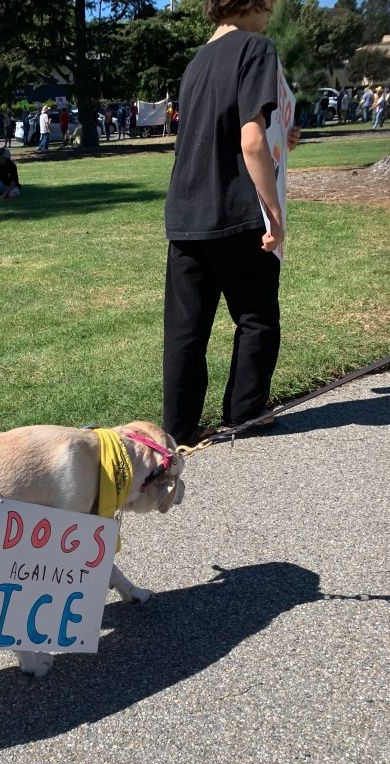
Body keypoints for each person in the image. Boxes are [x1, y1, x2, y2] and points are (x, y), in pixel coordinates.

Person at [162, 0, 301, 447]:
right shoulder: (256, 48)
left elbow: (215, 135)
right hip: (236, 212)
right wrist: (274, 215)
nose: (272, 13)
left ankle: (179, 427)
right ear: (255, 3)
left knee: (187, 328)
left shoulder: (196, 61)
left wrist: (284, 139)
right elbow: (250, 138)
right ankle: (245, 410)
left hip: (185, 211)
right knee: (257, 315)